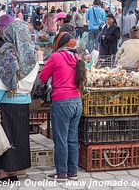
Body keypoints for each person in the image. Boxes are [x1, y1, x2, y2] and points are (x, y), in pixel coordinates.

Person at [0, 20, 39, 182]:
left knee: (6, 137)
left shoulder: (9, 53)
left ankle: (5, 173)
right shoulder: (32, 55)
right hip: (24, 101)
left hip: (8, 103)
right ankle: (14, 171)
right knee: (19, 137)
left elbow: (2, 84)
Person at [39, 32, 86, 181]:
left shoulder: (56, 57)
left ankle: (61, 174)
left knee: (60, 139)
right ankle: (72, 172)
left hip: (62, 102)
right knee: (72, 139)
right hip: (77, 102)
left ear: (59, 43)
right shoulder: (77, 57)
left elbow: (42, 77)